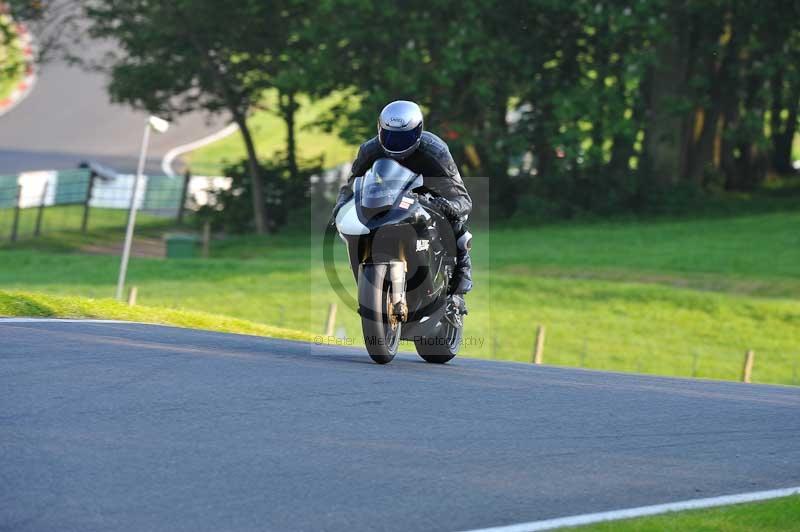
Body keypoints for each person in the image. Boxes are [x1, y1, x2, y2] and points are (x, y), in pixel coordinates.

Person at [332, 100, 473, 309]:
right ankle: (371, 282)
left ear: (418, 131)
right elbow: (352, 184)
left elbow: (461, 195)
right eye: (389, 136)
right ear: (380, 129)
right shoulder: (370, 150)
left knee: (455, 220)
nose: (395, 143)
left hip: (428, 197)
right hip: (387, 198)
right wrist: (340, 207)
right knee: (356, 225)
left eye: (403, 137)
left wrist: (449, 205)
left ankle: (462, 268)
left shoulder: (435, 151)